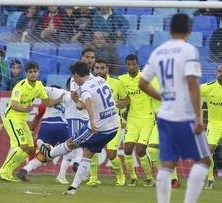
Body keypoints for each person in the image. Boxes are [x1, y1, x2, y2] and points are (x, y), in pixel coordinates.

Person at [138, 13, 211, 203]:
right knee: (204, 160)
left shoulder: (158, 51)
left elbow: (142, 83)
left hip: (164, 115)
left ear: (170, 30)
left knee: (167, 164)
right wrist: (198, 116)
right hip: (184, 114)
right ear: (189, 30)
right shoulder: (189, 50)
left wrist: (162, 97)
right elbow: (192, 82)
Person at [39, 61, 119, 195]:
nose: (73, 80)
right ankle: (73, 187)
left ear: (76, 75)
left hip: (99, 127)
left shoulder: (84, 87)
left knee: (71, 143)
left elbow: (89, 100)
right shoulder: (100, 79)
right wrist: (81, 105)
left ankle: (48, 154)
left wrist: (92, 121)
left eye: (73, 77)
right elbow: (99, 98)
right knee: (87, 153)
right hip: (113, 126)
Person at [0, 61, 62, 182]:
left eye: (35, 71)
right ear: (26, 73)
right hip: (12, 118)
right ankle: (3, 171)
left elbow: (47, 102)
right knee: (22, 146)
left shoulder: (39, 85)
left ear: (38, 72)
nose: (33, 74)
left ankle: (8, 172)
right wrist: (25, 109)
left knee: (30, 149)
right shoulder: (20, 86)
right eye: (30, 72)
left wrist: (59, 100)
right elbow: (14, 104)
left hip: (22, 121)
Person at [15, 86, 72, 183]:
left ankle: (24, 170)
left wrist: (32, 131)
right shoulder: (67, 98)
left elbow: (38, 116)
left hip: (45, 127)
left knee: (44, 156)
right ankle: (62, 175)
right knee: (71, 147)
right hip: (61, 125)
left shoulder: (43, 104)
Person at [86, 59, 129, 186]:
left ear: (107, 69)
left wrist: (123, 104)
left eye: (102, 68)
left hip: (113, 123)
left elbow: (126, 98)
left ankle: (121, 176)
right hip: (97, 123)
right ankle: (93, 178)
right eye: (97, 68)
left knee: (111, 154)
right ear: (93, 70)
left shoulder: (116, 83)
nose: (99, 71)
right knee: (92, 152)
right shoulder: (90, 84)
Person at [118, 54, 155, 187]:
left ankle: (150, 178)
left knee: (140, 150)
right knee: (127, 149)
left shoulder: (146, 77)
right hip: (132, 119)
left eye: (133, 64)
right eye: (128, 64)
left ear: (138, 64)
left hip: (147, 118)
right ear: (125, 65)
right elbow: (123, 97)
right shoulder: (122, 80)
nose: (131, 66)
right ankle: (133, 177)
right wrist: (121, 105)